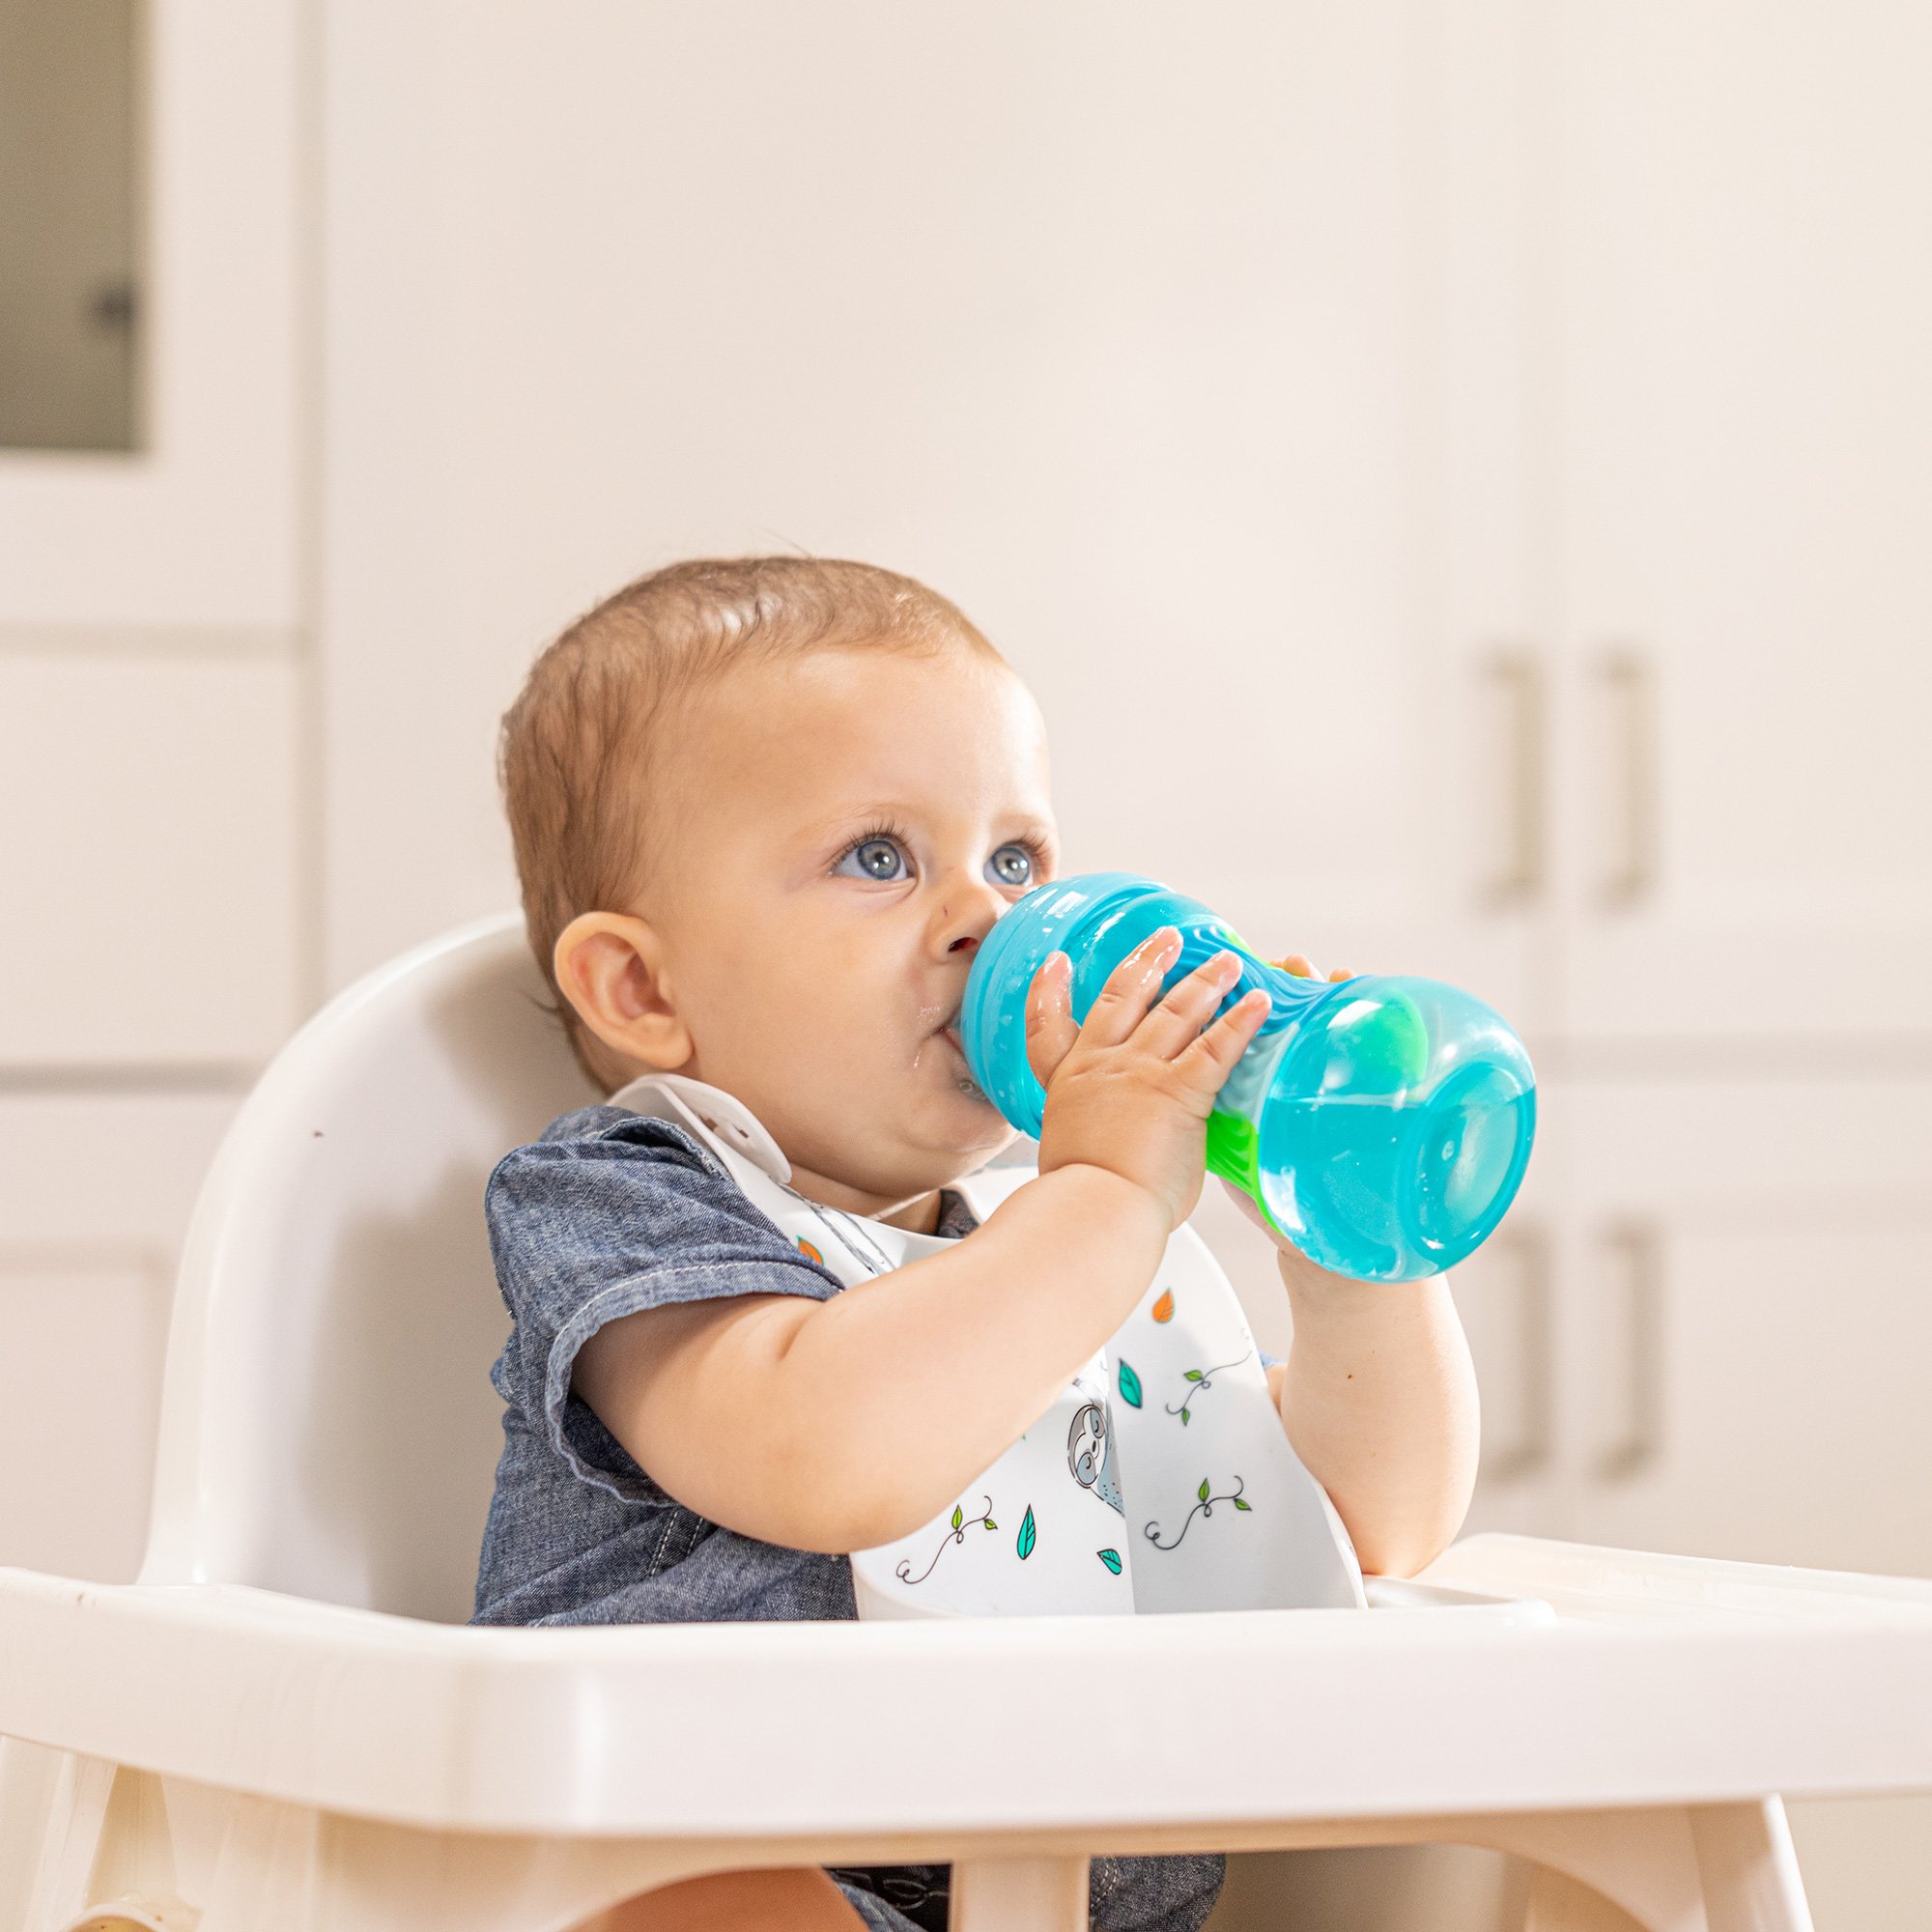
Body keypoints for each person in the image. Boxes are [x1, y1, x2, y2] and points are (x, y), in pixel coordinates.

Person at [475, 556, 1480, 1930]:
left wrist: (1348, 1243)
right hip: (704, 1848)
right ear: (645, 988)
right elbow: (825, 1453)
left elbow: (1374, 1527)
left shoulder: (1040, 1236)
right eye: (878, 858)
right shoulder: (628, 1201)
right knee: (704, 1904)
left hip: (1067, 1897)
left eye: (1015, 858)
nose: (987, 917)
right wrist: (1113, 1195)